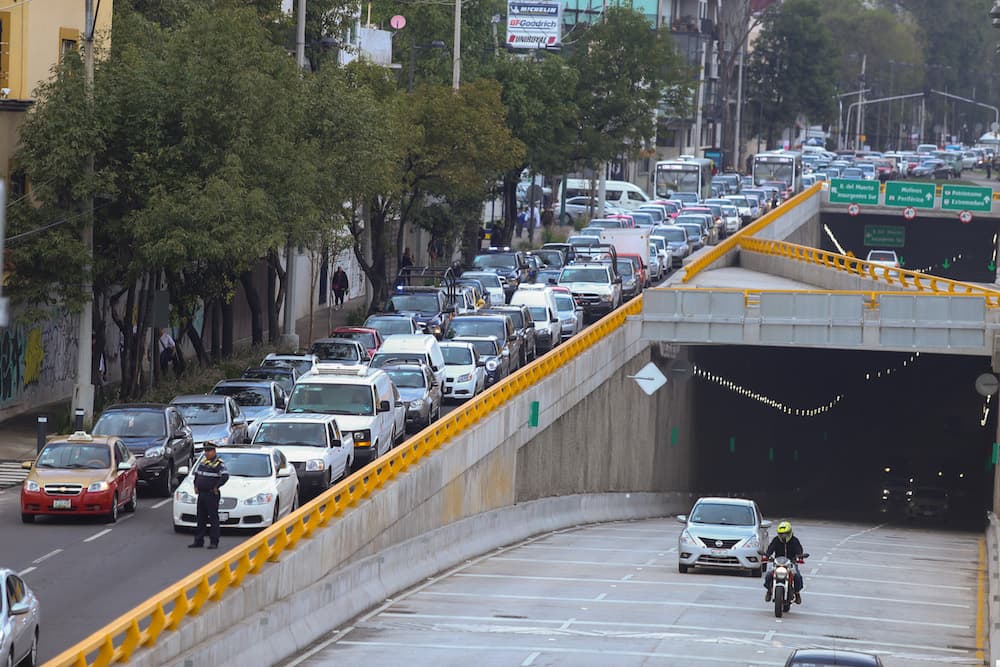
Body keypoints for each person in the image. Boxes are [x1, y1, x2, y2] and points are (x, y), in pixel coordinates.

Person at [188, 443, 229, 549]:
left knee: (213, 518)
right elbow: (197, 475)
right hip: (202, 494)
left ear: (214, 451)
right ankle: (198, 540)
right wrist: (196, 486)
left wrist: (216, 487)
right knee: (201, 518)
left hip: (211, 494)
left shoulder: (219, 464)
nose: (207, 453)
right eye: (205, 451)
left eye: (209, 451)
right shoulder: (203, 463)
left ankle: (214, 542)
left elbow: (224, 476)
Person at [763, 521, 805, 604]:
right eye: (781, 534)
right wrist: (767, 556)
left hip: (791, 563)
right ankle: (769, 590)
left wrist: (800, 556)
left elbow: (799, 550)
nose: (783, 536)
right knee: (768, 575)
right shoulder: (776, 540)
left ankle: (797, 593)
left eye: (785, 534)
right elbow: (770, 549)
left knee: (797, 576)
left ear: (790, 532)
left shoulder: (794, 540)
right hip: (777, 563)